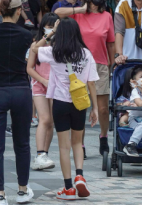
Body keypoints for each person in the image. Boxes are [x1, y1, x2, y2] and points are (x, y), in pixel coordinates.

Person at [32, 17, 99, 200]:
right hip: (80, 103)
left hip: (60, 103)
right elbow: (91, 83)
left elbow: (34, 49)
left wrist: (51, 32)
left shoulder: (55, 52)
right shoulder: (86, 53)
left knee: (64, 147)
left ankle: (68, 188)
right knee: (77, 142)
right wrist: (94, 109)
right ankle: (79, 175)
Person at [54, 0, 115, 157]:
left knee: (103, 108)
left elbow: (110, 43)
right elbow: (56, 13)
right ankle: (80, 144)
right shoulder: (77, 13)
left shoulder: (107, 16)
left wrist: (111, 64)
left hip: (100, 64)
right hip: (77, 65)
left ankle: (103, 136)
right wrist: (79, 10)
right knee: (80, 106)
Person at [0, 0, 34, 204]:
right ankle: (22, 190)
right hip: (21, 89)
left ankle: (0, 194)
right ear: (19, 10)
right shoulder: (27, 35)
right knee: (22, 142)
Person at [27, 13, 59, 171]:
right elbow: (29, 68)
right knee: (44, 119)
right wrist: (43, 80)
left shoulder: (59, 44)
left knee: (51, 122)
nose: (52, 29)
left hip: (55, 85)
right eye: (49, 26)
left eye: (55, 27)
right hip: (40, 84)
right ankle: (39, 155)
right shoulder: (37, 44)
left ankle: (44, 154)